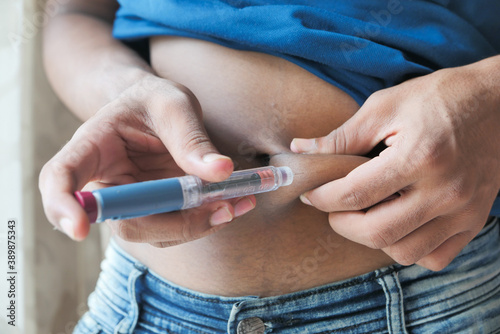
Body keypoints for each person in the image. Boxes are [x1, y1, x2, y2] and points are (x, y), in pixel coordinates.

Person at [39, 0, 500, 333]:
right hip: (149, 306)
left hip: (429, 298)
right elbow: (76, 12)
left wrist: (489, 94)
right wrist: (121, 89)